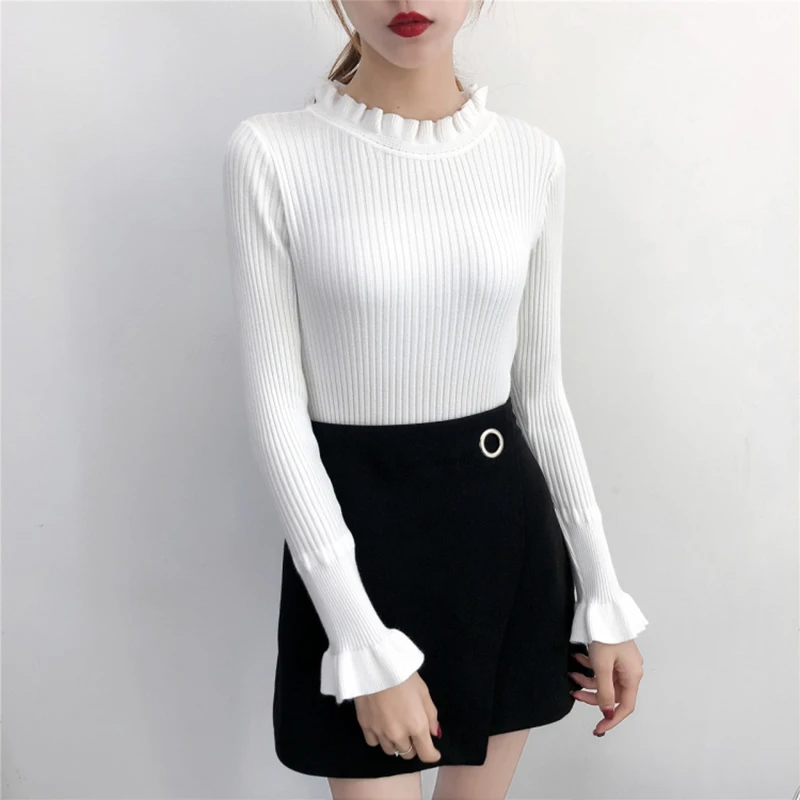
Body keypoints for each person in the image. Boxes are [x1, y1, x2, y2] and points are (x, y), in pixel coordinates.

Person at [222, 1, 648, 797]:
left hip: (504, 537)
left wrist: (604, 592)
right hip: (355, 546)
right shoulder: (272, 152)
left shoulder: (531, 158)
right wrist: (358, 635)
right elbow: (277, 411)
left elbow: (541, 396)